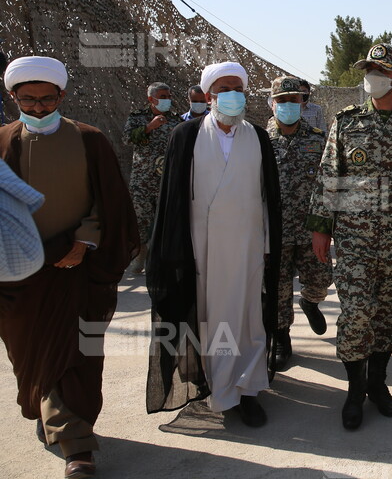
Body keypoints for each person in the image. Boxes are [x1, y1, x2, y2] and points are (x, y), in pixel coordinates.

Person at [0, 56, 139, 479]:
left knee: (79, 356)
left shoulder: (89, 139)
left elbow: (110, 202)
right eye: (29, 100)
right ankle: (47, 412)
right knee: (31, 357)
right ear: (13, 98)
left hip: (78, 268)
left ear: (62, 95)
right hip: (21, 275)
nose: (39, 108)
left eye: (47, 99)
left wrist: (85, 240)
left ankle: (77, 446)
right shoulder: (3, 140)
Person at [307, 44, 392, 430]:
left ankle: (378, 384)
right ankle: (354, 391)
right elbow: (327, 179)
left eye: (379, 71)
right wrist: (320, 228)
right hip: (354, 242)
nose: (371, 77)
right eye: (368, 70)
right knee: (355, 317)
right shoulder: (346, 122)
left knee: (386, 318)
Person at [147, 61, 282, 429]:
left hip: (249, 247)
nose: (233, 95)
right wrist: (174, 251)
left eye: (239, 88)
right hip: (203, 249)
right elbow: (172, 199)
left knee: (248, 317)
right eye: (225, 89)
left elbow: (267, 196)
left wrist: (269, 243)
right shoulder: (186, 135)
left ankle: (249, 388)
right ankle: (221, 388)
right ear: (209, 96)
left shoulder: (257, 136)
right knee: (214, 321)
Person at [265, 76, 331, 371]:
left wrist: (327, 226)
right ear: (272, 103)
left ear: (303, 103)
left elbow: (330, 183)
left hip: (310, 228)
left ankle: (311, 302)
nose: (290, 105)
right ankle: (282, 337)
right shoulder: (259, 141)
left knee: (321, 280)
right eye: (283, 100)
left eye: (295, 100)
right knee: (277, 291)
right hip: (274, 231)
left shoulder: (318, 139)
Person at [123, 82, 180, 273]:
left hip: (168, 179)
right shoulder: (138, 117)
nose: (167, 100)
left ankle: (161, 260)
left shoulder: (176, 120)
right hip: (143, 180)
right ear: (151, 99)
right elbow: (128, 138)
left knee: (166, 221)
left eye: (168, 96)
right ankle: (140, 254)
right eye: (162, 96)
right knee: (140, 220)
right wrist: (149, 127)